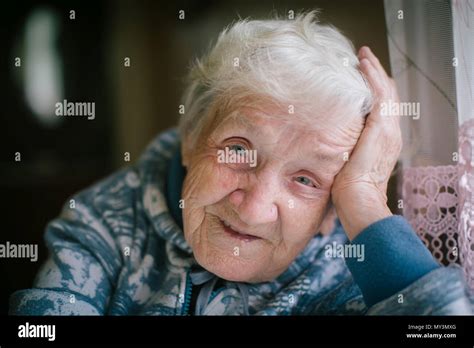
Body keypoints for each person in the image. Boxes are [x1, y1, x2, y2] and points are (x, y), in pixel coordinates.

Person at [10, 11, 473, 315]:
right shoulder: (105, 222)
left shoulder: (347, 265)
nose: (254, 209)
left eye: (307, 180)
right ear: (192, 137)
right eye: (237, 150)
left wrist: (365, 199)